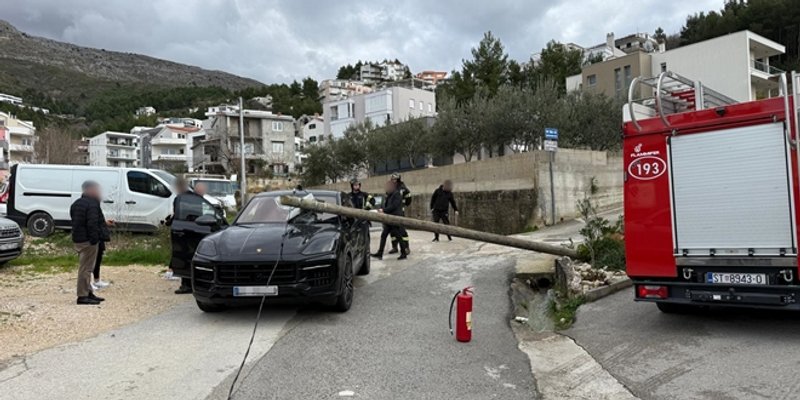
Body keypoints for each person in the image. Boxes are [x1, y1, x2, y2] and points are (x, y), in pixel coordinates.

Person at [71, 181, 109, 305]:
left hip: (78, 239)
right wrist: (95, 240)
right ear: (90, 190)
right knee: (86, 269)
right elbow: (92, 223)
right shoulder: (92, 204)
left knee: (86, 268)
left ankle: (88, 292)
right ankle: (82, 296)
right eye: (97, 189)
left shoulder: (77, 203)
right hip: (88, 241)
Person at [170, 178, 199, 294]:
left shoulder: (180, 199)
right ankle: (191, 283)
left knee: (183, 257)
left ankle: (186, 284)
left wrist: (171, 222)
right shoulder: (194, 197)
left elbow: (178, 215)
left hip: (183, 231)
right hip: (195, 230)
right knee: (190, 257)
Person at [372, 180, 410, 260]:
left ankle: (403, 253)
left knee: (399, 236)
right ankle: (380, 253)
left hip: (394, 218)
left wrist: (383, 210)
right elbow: (388, 205)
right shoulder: (389, 195)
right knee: (384, 235)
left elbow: (394, 206)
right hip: (389, 219)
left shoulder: (396, 195)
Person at [388, 173, 412, 255]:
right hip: (391, 212)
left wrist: (404, 204)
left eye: (395, 179)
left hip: (399, 212)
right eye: (392, 179)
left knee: (401, 230)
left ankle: (406, 247)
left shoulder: (403, 188)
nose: (393, 181)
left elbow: (409, 197)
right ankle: (394, 247)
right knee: (392, 231)